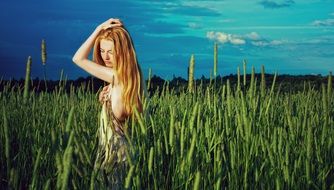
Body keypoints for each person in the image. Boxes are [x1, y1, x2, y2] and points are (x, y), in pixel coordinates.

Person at [72, 18, 146, 188]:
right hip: (119, 151)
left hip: (115, 153)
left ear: (122, 51)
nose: (105, 57)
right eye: (101, 50)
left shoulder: (118, 76)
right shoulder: (132, 77)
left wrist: (98, 28)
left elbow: (78, 59)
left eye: (110, 52)